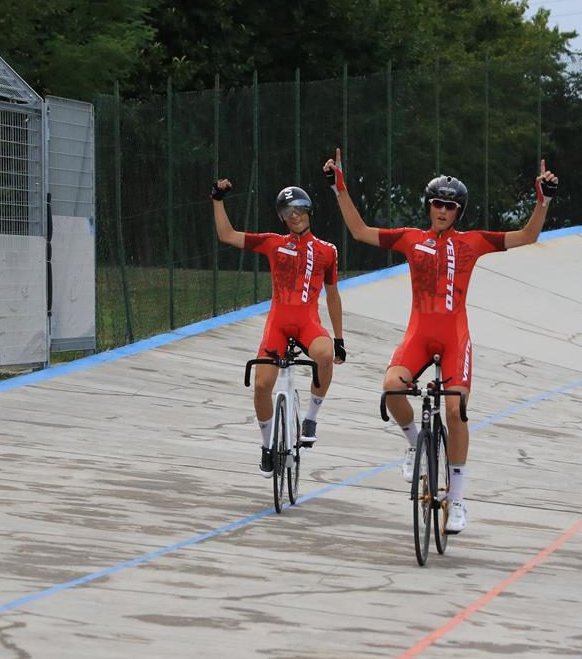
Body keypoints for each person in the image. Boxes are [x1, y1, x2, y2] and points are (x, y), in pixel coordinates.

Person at [323, 147, 558, 535]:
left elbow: (529, 235)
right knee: (391, 389)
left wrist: (543, 200)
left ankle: (459, 498)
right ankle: (415, 443)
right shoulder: (410, 239)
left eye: (449, 206)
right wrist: (339, 189)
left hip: (454, 338)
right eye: (436, 204)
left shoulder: (475, 242)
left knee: (455, 410)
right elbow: (359, 231)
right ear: (429, 207)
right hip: (418, 334)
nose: (442, 210)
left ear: (458, 211)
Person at [211, 179, 345, 478]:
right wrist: (217, 199)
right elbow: (227, 235)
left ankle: (310, 418)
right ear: (282, 218)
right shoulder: (274, 243)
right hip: (278, 324)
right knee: (261, 386)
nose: (293, 215)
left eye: (298, 209)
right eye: (287, 212)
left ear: (309, 211)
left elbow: (333, 295)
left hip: (308, 323)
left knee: (323, 355)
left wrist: (339, 339)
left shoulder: (327, 251)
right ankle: (267, 445)